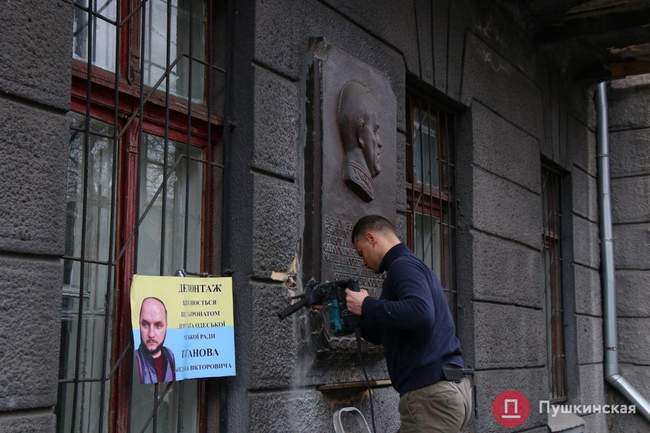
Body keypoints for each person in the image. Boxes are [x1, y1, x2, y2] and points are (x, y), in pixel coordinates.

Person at [346, 215, 472, 433]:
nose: (363, 261)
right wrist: (357, 313)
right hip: (448, 390)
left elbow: (420, 314)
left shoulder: (402, 267)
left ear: (371, 238)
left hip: (431, 397)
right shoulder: (412, 266)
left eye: (361, 252)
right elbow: (387, 331)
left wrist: (367, 304)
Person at [337, 80, 383, 202]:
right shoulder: (354, 178)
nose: (380, 143)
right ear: (360, 132)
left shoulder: (361, 179)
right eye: (375, 131)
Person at [135, 297, 176, 384]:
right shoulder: (135, 360)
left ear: (166, 326)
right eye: (145, 325)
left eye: (158, 326)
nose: (151, 334)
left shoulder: (170, 356)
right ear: (139, 325)